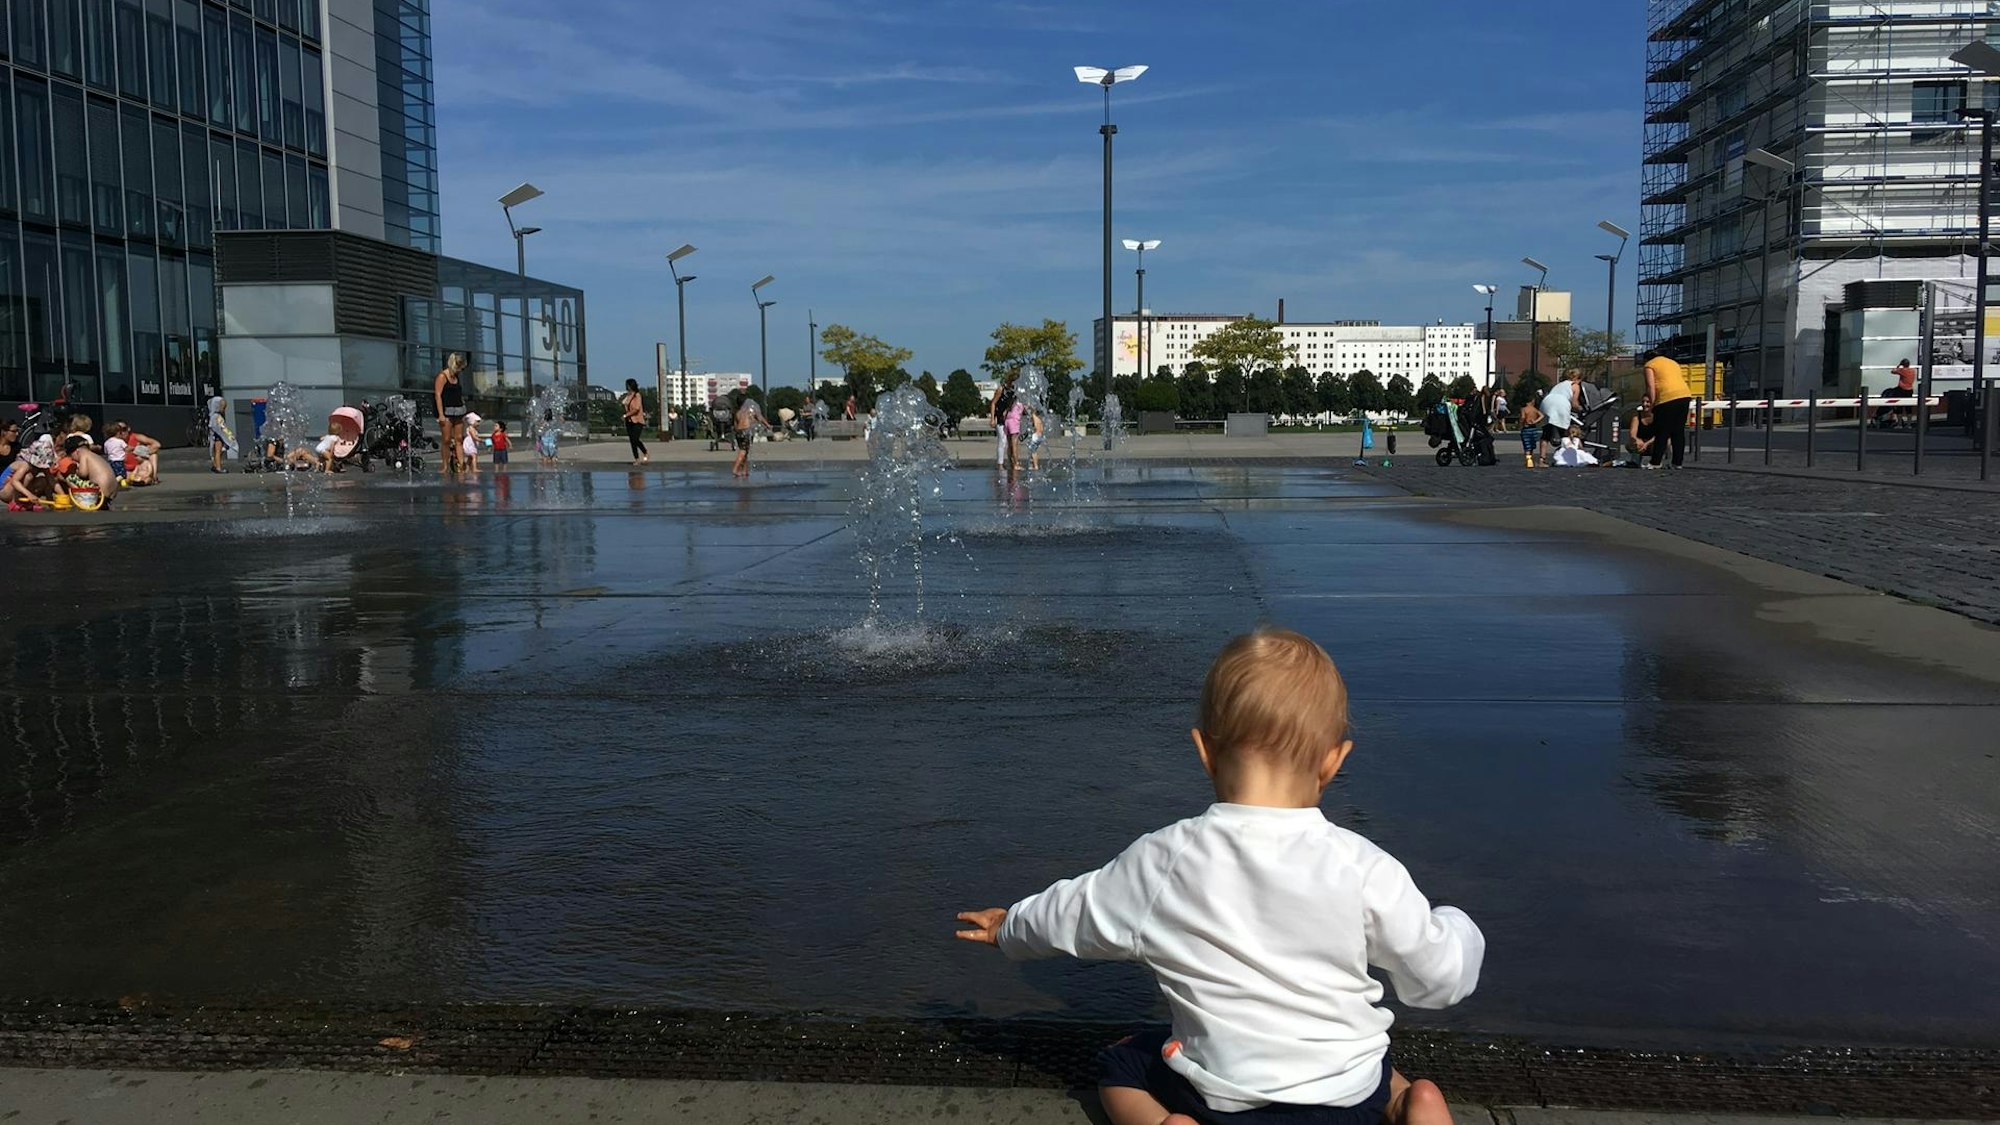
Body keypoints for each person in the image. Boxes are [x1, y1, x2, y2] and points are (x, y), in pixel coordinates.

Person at [955, 628, 1480, 1125]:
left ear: (1204, 751)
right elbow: (1438, 976)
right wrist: (1454, 923)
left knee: (1121, 1064)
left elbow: (1077, 913)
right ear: (1333, 761)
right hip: (1349, 1101)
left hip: (1223, 1102)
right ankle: (1415, 1106)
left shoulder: (1165, 859)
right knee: (1381, 1070)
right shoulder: (1362, 865)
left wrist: (1010, 927)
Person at [1642, 351, 1693, 469]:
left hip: (1666, 397)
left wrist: (1652, 404)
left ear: (1647, 359)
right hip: (1684, 395)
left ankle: (1655, 462)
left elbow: (1650, 386)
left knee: (1662, 431)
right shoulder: (1673, 363)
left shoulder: (1650, 365)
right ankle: (1677, 463)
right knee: (1678, 431)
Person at [1538, 371, 1583, 469]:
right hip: (1561, 404)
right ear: (1578, 379)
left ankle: (1542, 460)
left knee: (1546, 434)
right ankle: (1566, 458)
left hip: (1546, 403)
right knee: (1565, 433)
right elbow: (1574, 403)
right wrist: (1581, 409)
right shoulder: (1575, 385)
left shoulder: (1559, 384)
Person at [433, 351, 469, 472]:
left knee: (459, 438)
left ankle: (461, 464)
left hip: (458, 410)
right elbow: (438, 395)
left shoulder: (457, 377)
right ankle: (445, 465)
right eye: (460, 368)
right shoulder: (442, 376)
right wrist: (441, 415)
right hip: (446, 411)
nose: (461, 371)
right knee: (446, 439)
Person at [60, 435, 117, 509]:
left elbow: (83, 473)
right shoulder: (95, 456)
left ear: (77, 451)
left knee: (70, 478)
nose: (72, 459)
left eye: (70, 455)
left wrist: (76, 472)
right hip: (112, 491)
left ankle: (82, 499)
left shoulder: (83, 454)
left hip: (100, 491)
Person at [1875, 357, 1918, 428]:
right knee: (1908, 408)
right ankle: (1909, 424)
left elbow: (1893, 371)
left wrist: (1899, 365)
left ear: (1903, 364)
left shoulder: (1902, 370)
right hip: (1910, 390)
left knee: (1899, 407)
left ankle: (1900, 424)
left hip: (1901, 390)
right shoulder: (1912, 370)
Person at [732, 393, 767, 479]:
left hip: (739, 432)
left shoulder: (737, 412)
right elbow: (760, 418)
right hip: (746, 431)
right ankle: (735, 469)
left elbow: (735, 425)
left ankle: (744, 470)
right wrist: (768, 425)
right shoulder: (750, 410)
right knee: (743, 451)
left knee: (745, 451)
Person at [989, 376, 1018, 470]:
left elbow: (1011, 404)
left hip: (1009, 419)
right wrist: (992, 418)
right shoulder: (1001, 389)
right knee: (1002, 440)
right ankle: (1000, 464)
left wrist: (1008, 410)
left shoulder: (1014, 391)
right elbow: (993, 403)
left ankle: (1012, 463)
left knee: (1010, 442)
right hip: (1000, 419)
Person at [622, 378, 650, 465]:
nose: (627, 387)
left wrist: (626, 415)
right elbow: (624, 404)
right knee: (632, 440)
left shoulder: (637, 395)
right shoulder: (628, 396)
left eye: (628, 385)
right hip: (629, 421)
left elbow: (637, 408)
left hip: (637, 420)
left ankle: (645, 452)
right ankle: (637, 459)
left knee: (635, 438)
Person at [1624, 399, 1658, 468]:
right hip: (1641, 443)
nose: (1645, 404)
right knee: (1632, 442)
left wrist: (1647, 443)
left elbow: (1660, 434)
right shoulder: (1636, 417)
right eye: (1643, 402)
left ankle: (1659, 461)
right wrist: (1637, 440)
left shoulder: (1659, 416)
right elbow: (1632, 433)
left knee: (1667, 441)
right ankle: (1635, 461)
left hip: (1654, 442)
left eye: (1648, 402)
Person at [207, 395, 236, 473]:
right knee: (218, 451)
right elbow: (220, 427)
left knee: (218, 451)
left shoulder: (214, 416)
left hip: (217, 435)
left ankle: (216, 465)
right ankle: (218, 467)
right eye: (223, 407)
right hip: (218, 435)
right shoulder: (216, 416)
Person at [1517, 398, 1544, 468]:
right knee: (1531, 446)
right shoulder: (1534, 409)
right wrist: (1535, 421)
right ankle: (1531, 460)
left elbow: (1523, 417)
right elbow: (1542, 416)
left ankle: (1529, 461)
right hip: (1533, 428)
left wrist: (1520, 424)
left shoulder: (1524, 409)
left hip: (1526, 428)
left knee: (1527, 446)